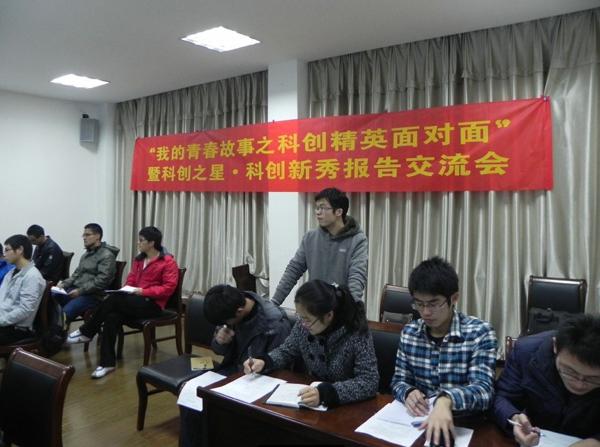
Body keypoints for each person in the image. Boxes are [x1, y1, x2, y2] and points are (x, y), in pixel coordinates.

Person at [390, 256, 497, 447]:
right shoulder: (410, 333)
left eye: (433, 304)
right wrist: (408, 392)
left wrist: (446, 400)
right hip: (418, 425)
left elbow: (484, 390)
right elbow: (398, 380)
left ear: (454, 298)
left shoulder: (479, 333)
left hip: (465, 426)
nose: (425, 312)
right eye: (419, 304)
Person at [179, 284, 292, 447]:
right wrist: (220, 341)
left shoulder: (274, 324)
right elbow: (218, 349)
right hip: (232, 372)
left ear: (239, 311)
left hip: (258, 380)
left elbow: (281, 364)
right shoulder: (228, 305)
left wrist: (260, 364)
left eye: (226, 322)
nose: (225, 324)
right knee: (190, 396)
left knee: (224, 415)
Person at [245, 279, 379, 408]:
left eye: (307, 320)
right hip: (310, 399)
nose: (303, 324)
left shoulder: (356, 331)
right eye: (300, 317)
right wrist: (265, 361)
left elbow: (369, 381)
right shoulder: (304, 324)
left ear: (329, 315)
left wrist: (327, 393)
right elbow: (286, 350)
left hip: (346, 407)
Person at [66, 226, 178, 378]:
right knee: (112, 316)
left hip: (153, 305)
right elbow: (131, 279)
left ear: (152, 243)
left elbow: (168, 288)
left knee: (113, 300)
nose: (138, 243)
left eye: (141, 240)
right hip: (136, 301)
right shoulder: (139, 260)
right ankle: (107, 363)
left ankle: (87, 331)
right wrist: (126, 289)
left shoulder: (167, 262)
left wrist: (142, 291)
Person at [492, 314, 600, 447]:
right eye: (570, 371)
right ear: (555, 346)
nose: (579, 385)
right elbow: (502, 397)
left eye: (593, 378)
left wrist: (595, 441)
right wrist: (514, 417)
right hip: (536, 438)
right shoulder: (526, 352)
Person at [270, 187, 368, 305]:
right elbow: (293, 270)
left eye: (322, 208)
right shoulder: (310, 237)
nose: (318, 212)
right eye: (317, 208)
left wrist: (351, 309)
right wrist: (274, 302)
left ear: (338, 212)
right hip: (314, 307)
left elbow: (357, 277)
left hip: (341, 307)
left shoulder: (357, 240)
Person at [54, 223, 118, 322]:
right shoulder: (86, 254)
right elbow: (76, 275)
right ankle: (49, 329)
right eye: (83, 235)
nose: (84, 238)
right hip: (77, 290)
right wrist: (63, 284)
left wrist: (80, 291)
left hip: (93, 295)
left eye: (87, 235)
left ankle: (58, 330)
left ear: (97, 236)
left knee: (65, 313)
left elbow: (101, 281)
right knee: (50, 299)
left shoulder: (107, 256)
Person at [0, 235, 46, 345]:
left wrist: (1, 320)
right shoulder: (11, 272)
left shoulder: (32, 276)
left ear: (20, 250)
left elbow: (25, 309)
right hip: (5, 321)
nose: (4, 254)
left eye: (7, 250)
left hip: (16, 328)